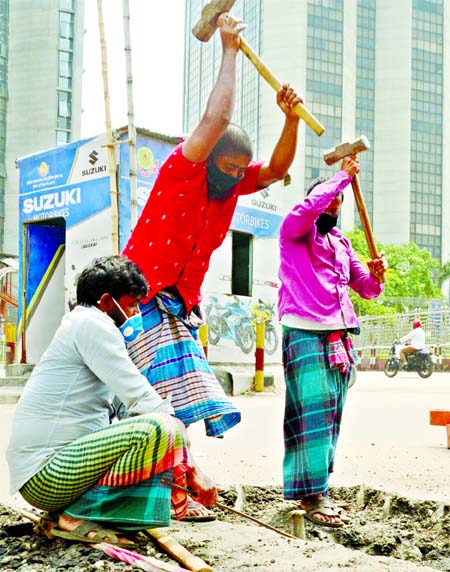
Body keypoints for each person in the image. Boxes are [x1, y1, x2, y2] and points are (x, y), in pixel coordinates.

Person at [122, 15, 303, 438]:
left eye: (242, 169)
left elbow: (276, 169)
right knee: (143, 404)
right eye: (229, 166)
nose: (237, 175)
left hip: (179, 306)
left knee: (177, 404)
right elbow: (217, 120)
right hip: (139, 297)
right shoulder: (182, 170)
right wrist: (228, 51)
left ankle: (171, 477)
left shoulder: (232, 188)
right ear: (208, 157)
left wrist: (290, 120)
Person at [6, 256, 218, 542]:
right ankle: (79, 513)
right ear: (107, 302)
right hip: (47, 475)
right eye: (131, 304)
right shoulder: (91, 325)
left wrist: (179, 466)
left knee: (159, 429)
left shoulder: (89, 326)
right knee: (163, 427)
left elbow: (127, 405)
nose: (134, 313)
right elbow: (145, 401)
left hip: (56, 473)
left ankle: (79, 510)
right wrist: (192, 469)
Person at [277, 156, 388, 528]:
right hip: (305, 331)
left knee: (331, 414)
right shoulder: (294, 230)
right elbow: (308, 208)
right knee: (314, 414)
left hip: (338, 337)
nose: (333, 208)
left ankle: (317, 488)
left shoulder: (340, 242)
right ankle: (312, 496)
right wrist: (343, 177)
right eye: (328, 201)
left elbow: (367, 290)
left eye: (338, 205)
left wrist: (377, 276)